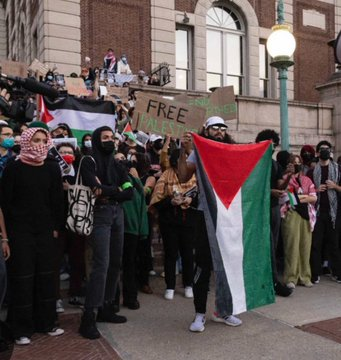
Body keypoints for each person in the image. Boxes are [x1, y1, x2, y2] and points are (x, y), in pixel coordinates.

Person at [178, 116, 242, 332]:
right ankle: (199, 314)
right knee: (203, 266)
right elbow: (184, 175)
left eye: (222, 128)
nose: (219, 132)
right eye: (215, 128)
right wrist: (183, 150)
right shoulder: (199, 152)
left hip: (229, 217)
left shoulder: (233, 152)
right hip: (205, 216)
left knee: (228, 265)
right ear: (205, 131)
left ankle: (224, 311)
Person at [2, 127, 64, 345]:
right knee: (23, 280)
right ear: (26, 142)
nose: (39, 144)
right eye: (35, 140)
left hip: (46, 232)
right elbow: (5, 204)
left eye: (43, 140)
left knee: (46, 277)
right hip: (21, 233)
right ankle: (21, 329)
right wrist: (6, 236)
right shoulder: (14, 168)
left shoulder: (52, 168)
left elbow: (57, 200)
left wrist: (56, 227)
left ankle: (47, 322)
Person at [78, 126, 134, 340]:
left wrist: (110, 191)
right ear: (96, 140)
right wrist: (115, 190)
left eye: (112, 137)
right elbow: (94, 188)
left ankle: (106, 307)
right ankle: (89, 316)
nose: (110, 141)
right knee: (101, 264)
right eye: (105, 138)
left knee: (115, 263)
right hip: (99, 215)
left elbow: (129, 191)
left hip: (117, 214)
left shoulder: (117, 164)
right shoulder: (88, 161)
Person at [150, 148, 197, 300]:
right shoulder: (165, 176)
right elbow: (156, 202)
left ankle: (188, 285)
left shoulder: (194, 176)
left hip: (189, 221)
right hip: (169, 222)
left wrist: (191, 200)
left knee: (188, 254)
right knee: (170, 254)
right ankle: (170, 286)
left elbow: (201, 196)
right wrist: (170, 201)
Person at [255, 129, 293, 297]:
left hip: (273, 208)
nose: (272, 147)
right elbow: (250, 188)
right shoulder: (253, 162)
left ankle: (270, 279)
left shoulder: (274, 164)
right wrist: (270, 192)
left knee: (273, 244)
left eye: (274, 145)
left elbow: (280, 187)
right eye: (270, 144)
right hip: (257, 210)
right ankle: (271, 281)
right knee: (265, 246)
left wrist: (288, 177)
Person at [114, 152, 149, 310]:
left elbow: (141, 207)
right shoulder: (111, 180)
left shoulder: (135, 183)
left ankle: (130, 298)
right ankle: (112, 300)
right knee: (114, 265)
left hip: (131, 230)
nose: (121, 163)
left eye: (123, 160)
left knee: (129, 264)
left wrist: (142, 230)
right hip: (114, 227)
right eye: (118, 160)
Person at [280, 154, 317, 288]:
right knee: (291, 246)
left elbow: (314, 198)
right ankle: (291, 277)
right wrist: (304, 196)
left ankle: (305, 276)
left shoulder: (307, 180)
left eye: (298, 162)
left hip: (307, 216)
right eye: (293, 163)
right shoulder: (285, 179)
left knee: (305, 246)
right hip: (291, 213)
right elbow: (288, 197)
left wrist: (300, 196)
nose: (296, 165)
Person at [307, 141, 341, 283]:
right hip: (317, 212)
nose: (325, 151)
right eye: (322, 149)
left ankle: (337, 273)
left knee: (334, 244)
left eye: (327, 149)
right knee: (316, 244)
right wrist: (315, 190)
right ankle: (315, 273)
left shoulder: (338, 170)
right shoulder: (311, 171)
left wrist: (335, 186)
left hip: (334, 213)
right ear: (318, 153)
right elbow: (304, 191)